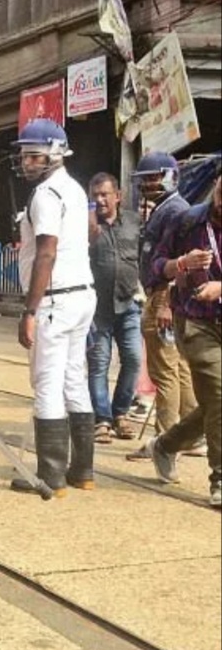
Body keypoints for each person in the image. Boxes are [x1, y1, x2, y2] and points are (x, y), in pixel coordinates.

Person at [10, 119, 96, 496]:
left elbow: (46, 252)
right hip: (82, 295)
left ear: (55, 154)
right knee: (74, 378)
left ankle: (50, 476)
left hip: (54, 299)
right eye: (25, 155)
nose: (27, 162)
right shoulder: (75, 189)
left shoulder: (46, 194)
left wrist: (29, 311)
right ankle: (83, 472)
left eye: (34, 155)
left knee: (46, 382)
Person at [137, 176, 221, 507]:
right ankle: (219, 478)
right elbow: (156, 268)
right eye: (219, 196)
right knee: (218, 394)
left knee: (216, 404)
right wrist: (182, 264)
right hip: (197, 322)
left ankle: (166, 445)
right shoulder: (187, 221)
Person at [131, 152, 195, 447]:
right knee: (179, 367)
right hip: (164, 296)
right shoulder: (166, 209)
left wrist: (165, 301)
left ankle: (165, 440)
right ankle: (192, 435)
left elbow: (177, 260)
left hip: (163, 296)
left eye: (153, 178)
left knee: (164, 371)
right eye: (144, 180)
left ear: (170, 177)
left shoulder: (175, 211)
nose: (147, 185)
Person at [86, 172, 143, 444]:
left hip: (129, 302)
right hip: (97, 309)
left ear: (117, 196)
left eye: (104, 194)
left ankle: (120, 413)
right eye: (95, 195)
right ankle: (102, 419)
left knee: (132, 359)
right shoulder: (86, 225)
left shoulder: (134, 222)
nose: (99, 200)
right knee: (99, 363)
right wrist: (88, 230)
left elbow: (147, 254)